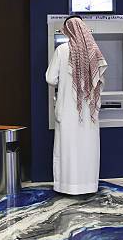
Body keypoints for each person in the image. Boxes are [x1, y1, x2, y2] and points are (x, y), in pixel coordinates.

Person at [46, 16, 108, 195]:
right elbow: (100, 80)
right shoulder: (94, 51)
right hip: (89, 112)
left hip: (67, 110)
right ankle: (88, 185)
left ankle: (67, 186)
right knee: (87, 147)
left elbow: (50, 78)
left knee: (68, 148)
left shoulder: (62, 50)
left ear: (68, 30)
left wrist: (64, 82)